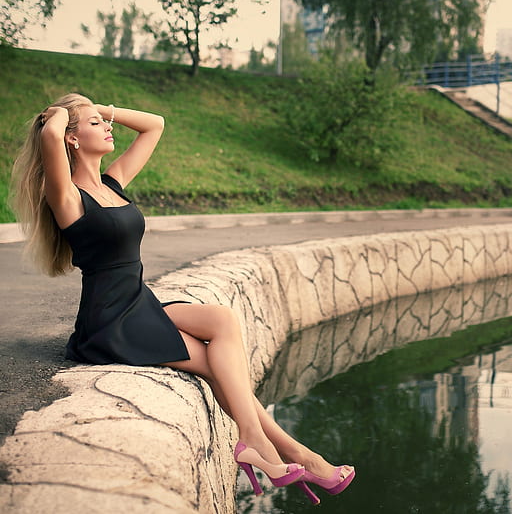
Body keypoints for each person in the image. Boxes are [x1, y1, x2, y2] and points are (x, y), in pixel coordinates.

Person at [9, 93, 354, 504]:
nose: (108, 126)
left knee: (221, 321)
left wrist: (96, 109)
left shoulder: (111, 183)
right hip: (109, 320)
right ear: (71, 139)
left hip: (138, 302)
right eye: (95, 124)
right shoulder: (64, 193)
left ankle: (266, 445)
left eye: (106, 121)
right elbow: (49, 131)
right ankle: (293, 455)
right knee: (214, 363)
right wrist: (66, 111)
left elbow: (155, 124)